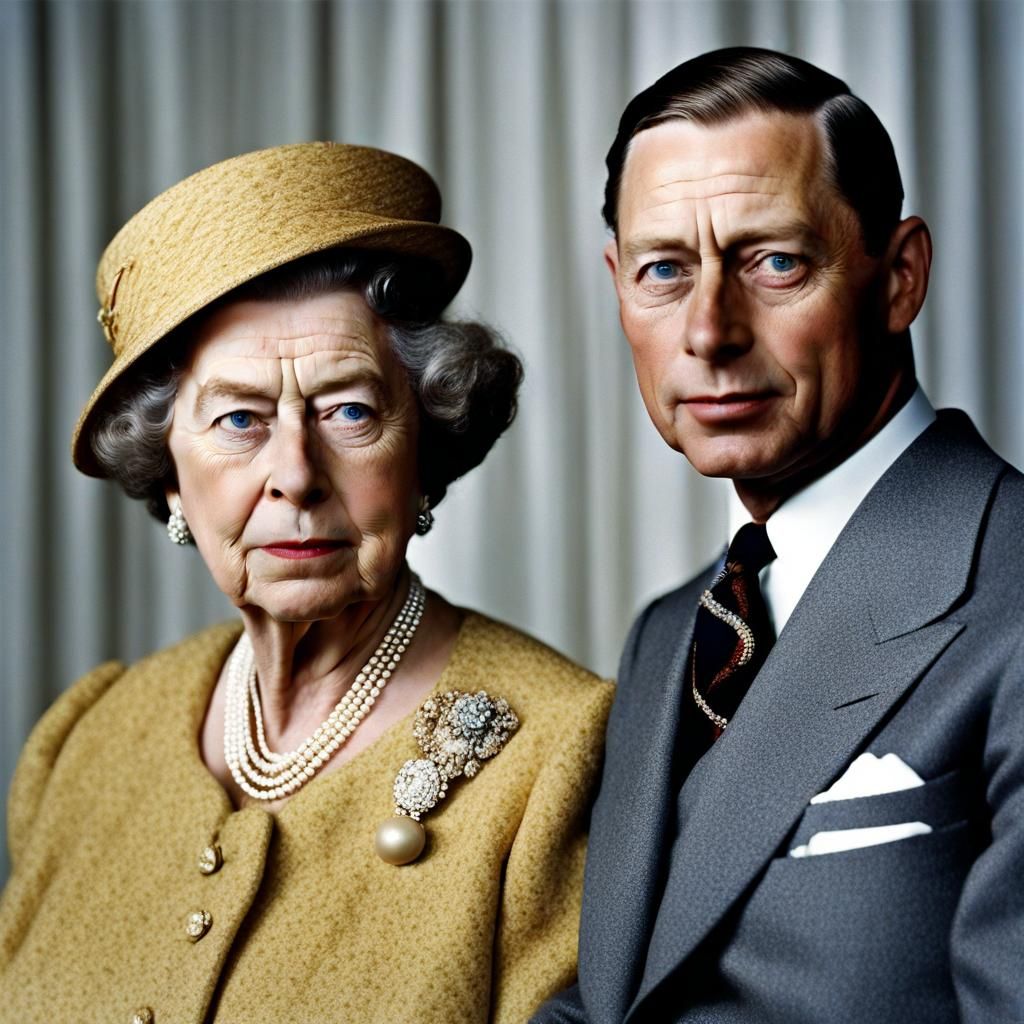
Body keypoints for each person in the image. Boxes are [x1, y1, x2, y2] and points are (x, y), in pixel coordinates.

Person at [0, 142, 613, 1024]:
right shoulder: (90, 741)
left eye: (349, 410)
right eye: (240, 419)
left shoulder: (557, 757)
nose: (296, 474)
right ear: (171, 472)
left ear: (424, 452)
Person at [535, 47, 1024, 1024]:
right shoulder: (674, 633)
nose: (708, 330)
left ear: (899, 277)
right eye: (664, 270)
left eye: (773, 262)